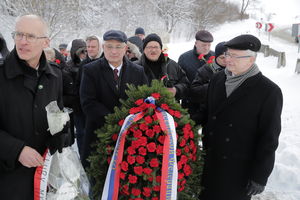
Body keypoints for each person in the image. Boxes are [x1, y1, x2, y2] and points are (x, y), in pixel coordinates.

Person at [199, 34, 283, 200]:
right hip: (211, 163)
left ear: (251, 60)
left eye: (235, 56)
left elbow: (269, 138)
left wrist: (260, 176)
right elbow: (207, 113)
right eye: (228, 54)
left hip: (239, 171)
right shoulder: (217, 79)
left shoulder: (268, 91)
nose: (228, 59)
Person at [0, 14, 70, 200]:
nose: (23, 41)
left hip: (44, 177)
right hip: (7, 178)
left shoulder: (54, 76)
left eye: (30, 36)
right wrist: (17, 150)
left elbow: (58, 114)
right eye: (18, 35)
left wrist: (61, 135)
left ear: (46, 42)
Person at [80, 30, 148, 168]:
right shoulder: (90, 70)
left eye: (118, 47)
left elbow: (143, 99)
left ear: (125, 48)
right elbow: (88, 102)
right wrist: (115, 121)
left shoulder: (138, 71)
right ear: (103, 47)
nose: (114, 51)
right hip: (99, 136)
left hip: (130, 138)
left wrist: (128, 123)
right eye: (109, 46)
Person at [135, 33, 189, 100]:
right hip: (141, 108)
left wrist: (176, 90)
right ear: (144, 50)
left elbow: (186, 85)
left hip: (169, 108)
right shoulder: (135, 67)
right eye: (149, 47)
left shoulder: (172, 65)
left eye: (156, 47)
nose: (153, 50)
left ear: (161, 49)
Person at [178, 30, 214, 119]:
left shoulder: (216, 57)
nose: (206, 48)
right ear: (196, 43)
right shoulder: (184, 58)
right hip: (190, 104)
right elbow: (180, 80)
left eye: (209, 45)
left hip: (210, 103)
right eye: (203, 45)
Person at [190, 41, 227, 122]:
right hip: (208, 114)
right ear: (216, 57)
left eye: (228, 57)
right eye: (222, 57)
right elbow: (194, 91)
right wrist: (213, 85)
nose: (226, 60)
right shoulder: (206, 69)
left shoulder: (234, 68)